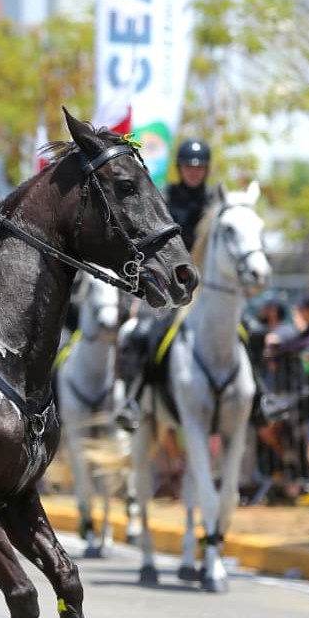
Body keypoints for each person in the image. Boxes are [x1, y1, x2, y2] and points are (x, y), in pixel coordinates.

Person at [114, 137, 222, 431]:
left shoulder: (216, 203)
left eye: (200, 167)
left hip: (210, 290)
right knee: (143, 333)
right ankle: (133, 401)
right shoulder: (164, 198)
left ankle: (260, 398)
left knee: (249, 330)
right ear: (180, 168)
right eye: (189, 166)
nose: (195, 172)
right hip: (170, 288)